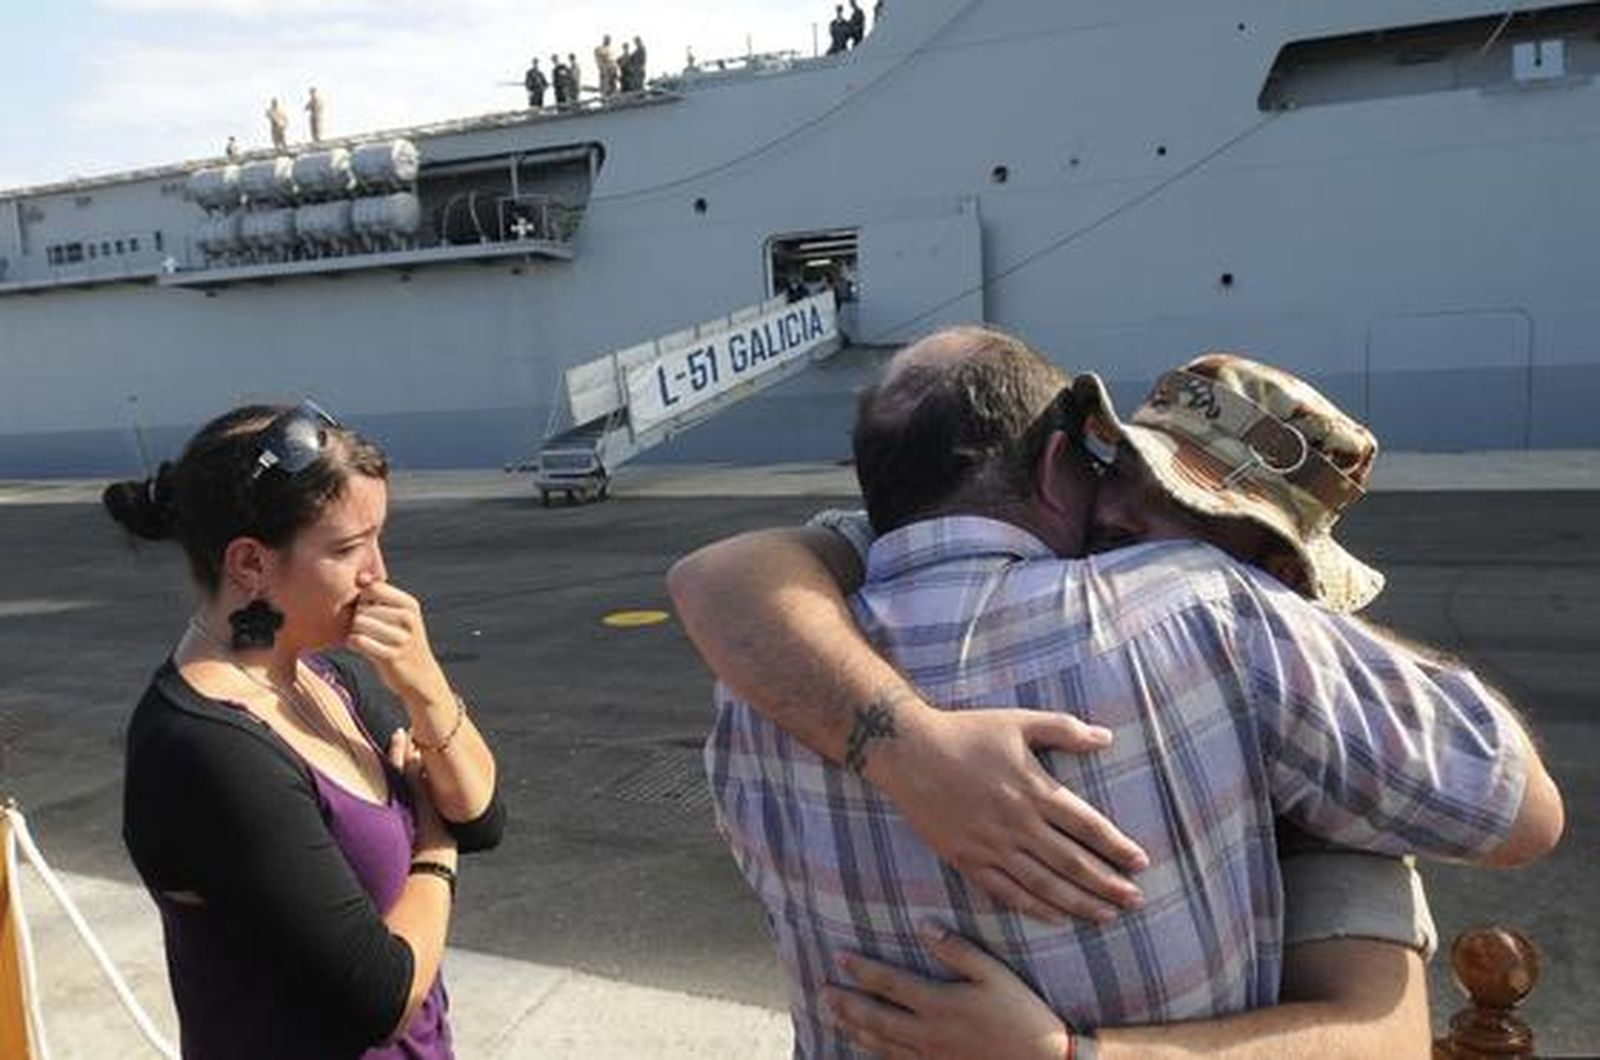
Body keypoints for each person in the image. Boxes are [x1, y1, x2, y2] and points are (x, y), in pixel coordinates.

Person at [678, 330, 1562, 1058]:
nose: (1140, 525)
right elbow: (723, 577)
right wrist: (905, 745)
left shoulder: (772, 679)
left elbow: (1380, 1035)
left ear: (1276, 568)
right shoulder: (1214, 617)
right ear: (1078, 464)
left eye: (1216, 527)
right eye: (1131, 473)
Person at [104, 401, 505, 1058]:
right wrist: (434, 846)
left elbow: (481, 815)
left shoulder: (321, 676)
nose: (378, 572)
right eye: (349, 548)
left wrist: (424, 684)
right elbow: (380, 996)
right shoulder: (205, 747)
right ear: (250, 564)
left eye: (379, 536)